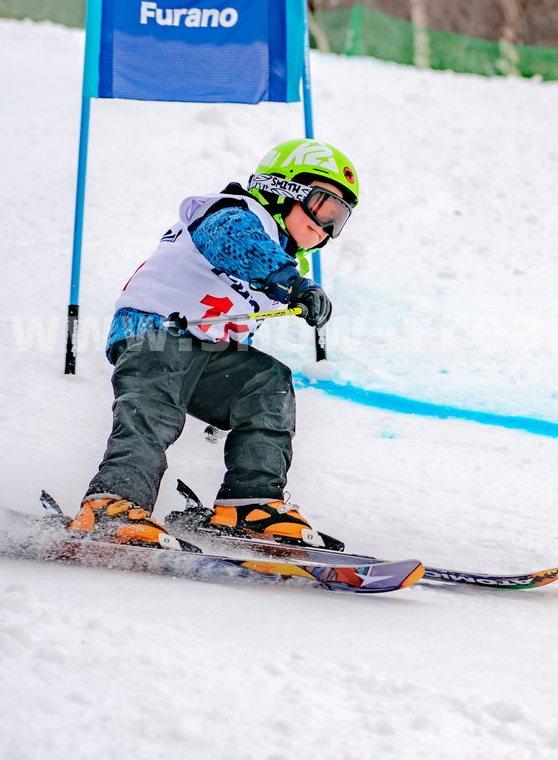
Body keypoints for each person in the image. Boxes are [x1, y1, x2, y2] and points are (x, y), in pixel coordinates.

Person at [67, 138, 360, 552]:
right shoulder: (233, 212)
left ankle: (248, 503)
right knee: (153, 413)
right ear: (284, 190)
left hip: (206, 353)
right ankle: (114, 502)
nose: (326, 228)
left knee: (265, 381)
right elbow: (233, 242)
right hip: (154, 333)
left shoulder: (279, 255)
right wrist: (290, 283)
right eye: (323, 207)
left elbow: (237, 320)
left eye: (339, 219)